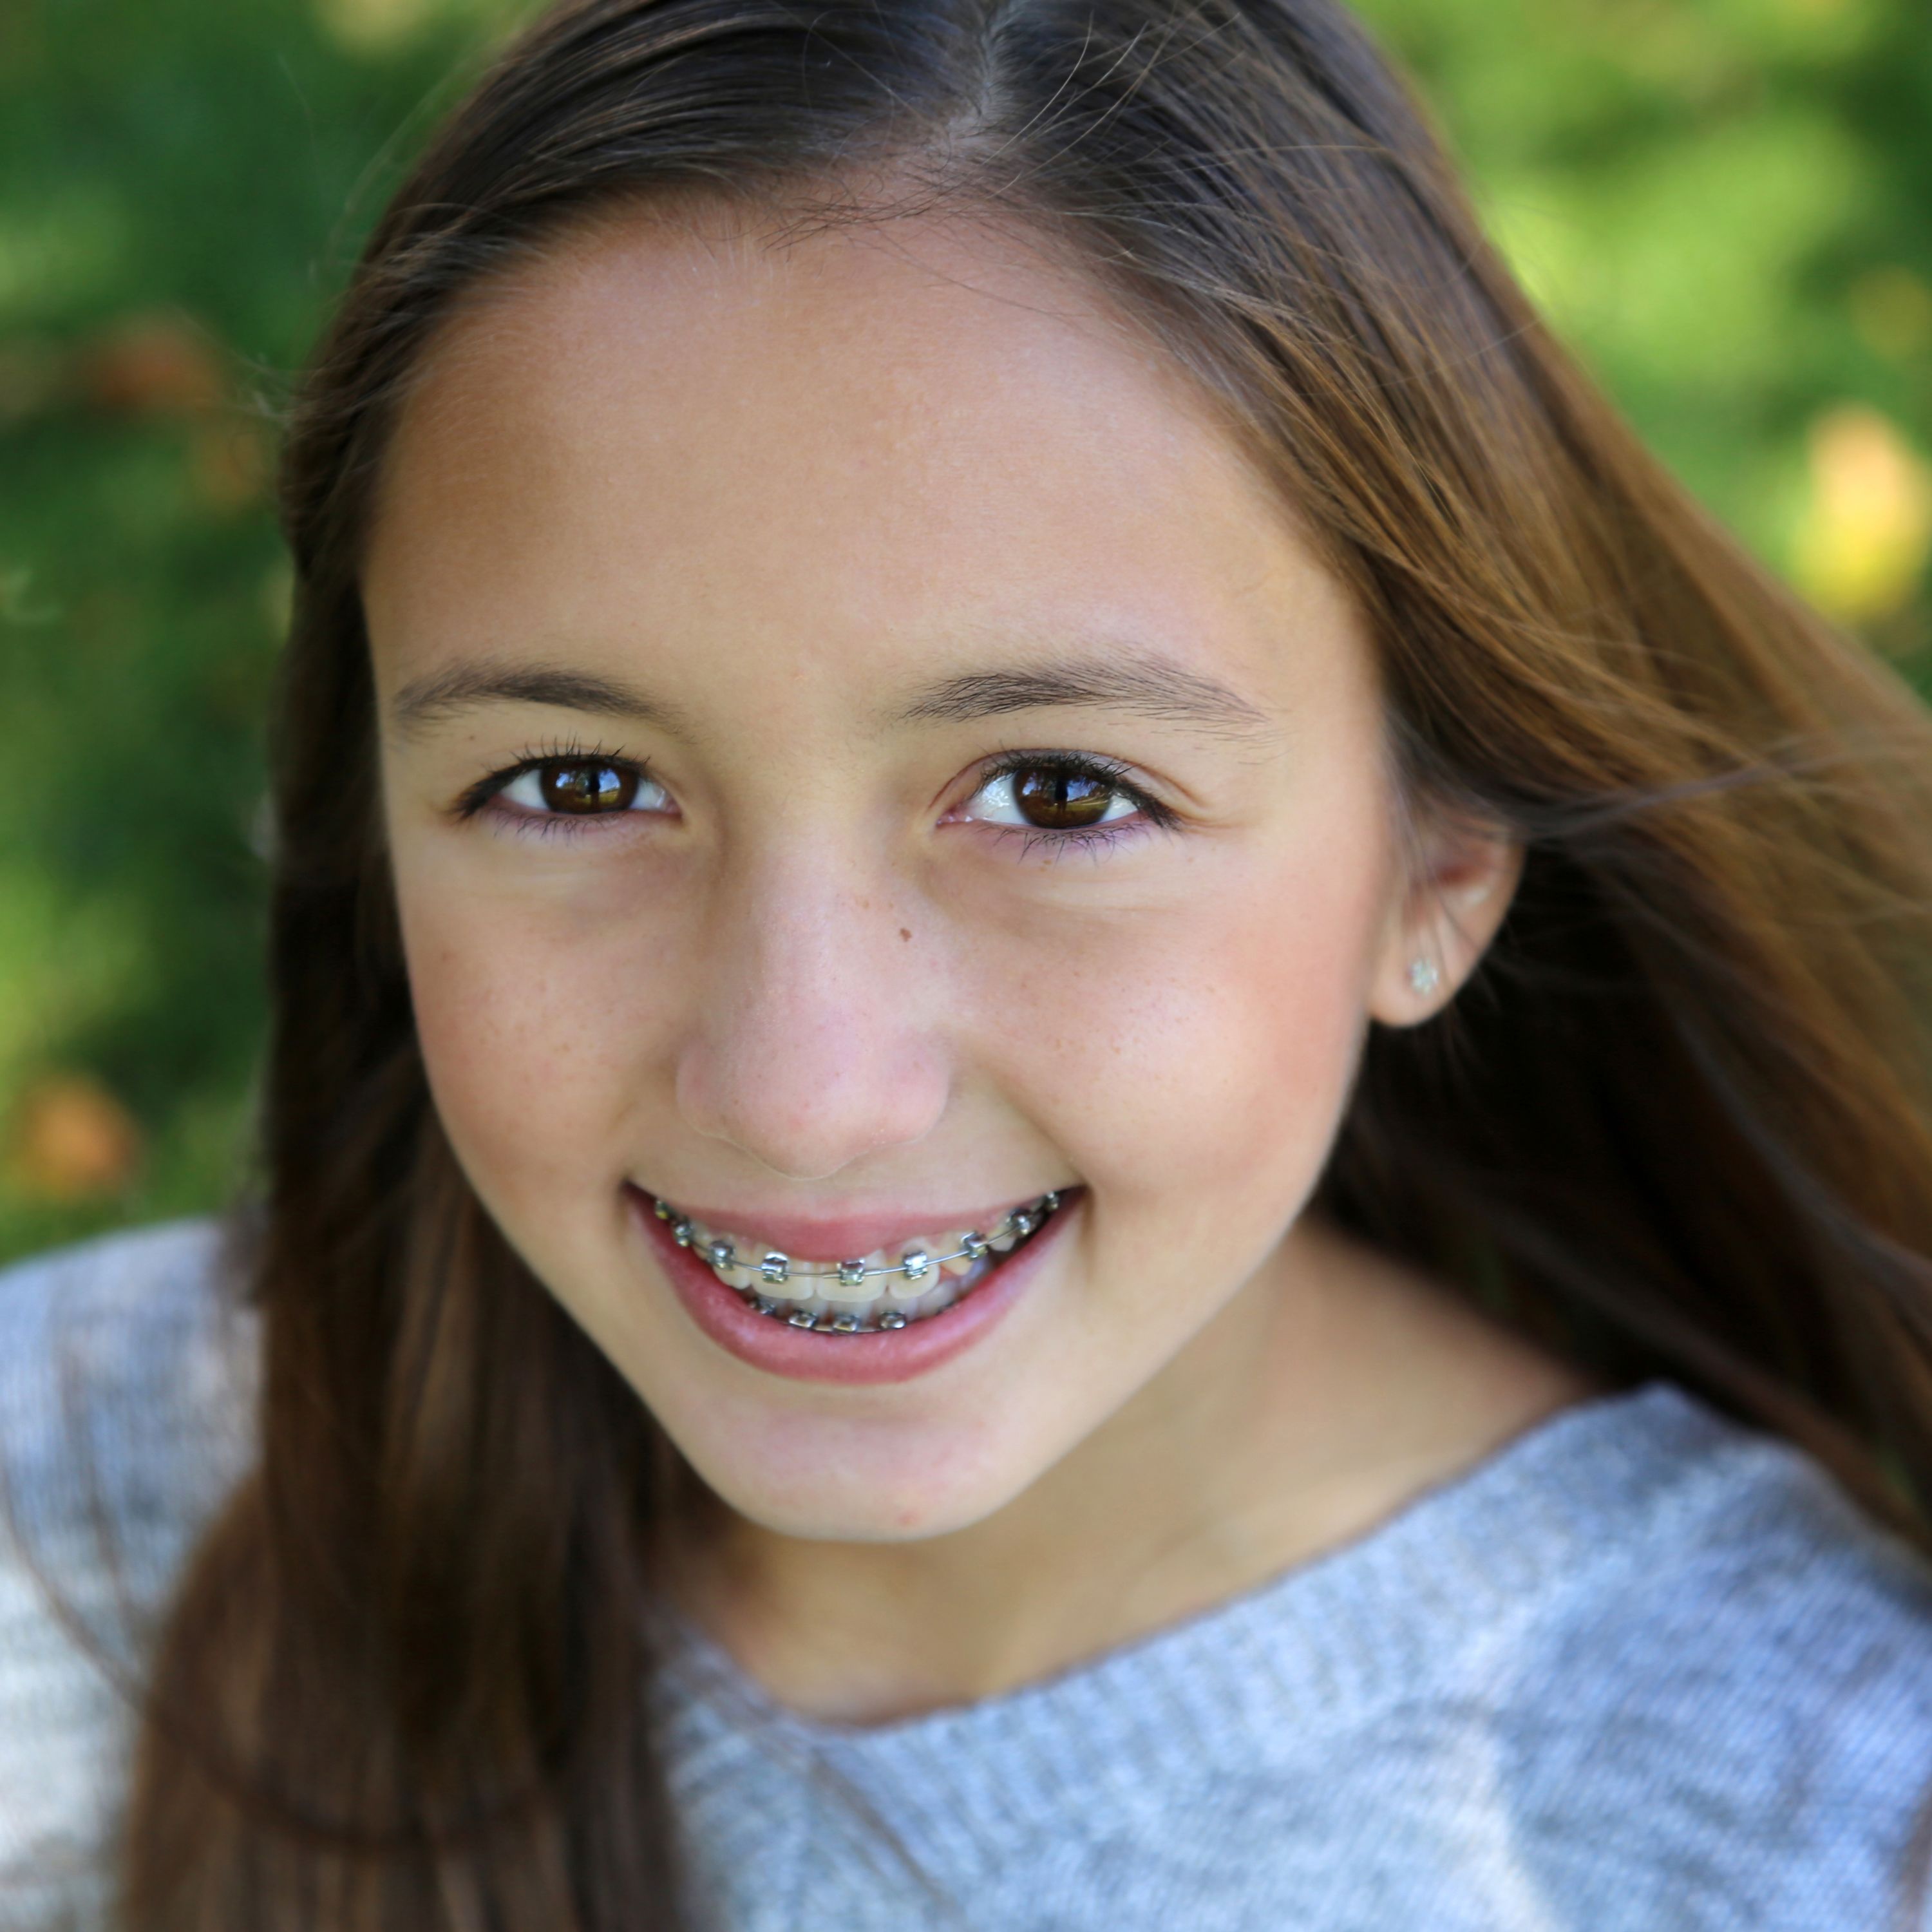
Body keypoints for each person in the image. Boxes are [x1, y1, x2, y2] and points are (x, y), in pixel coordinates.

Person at [6, 0, 1932, 1924]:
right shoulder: (82, 1524)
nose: (804, 1088)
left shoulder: (1798, 1830)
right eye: (576, 781)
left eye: (1063, 796)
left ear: (1438, 861)